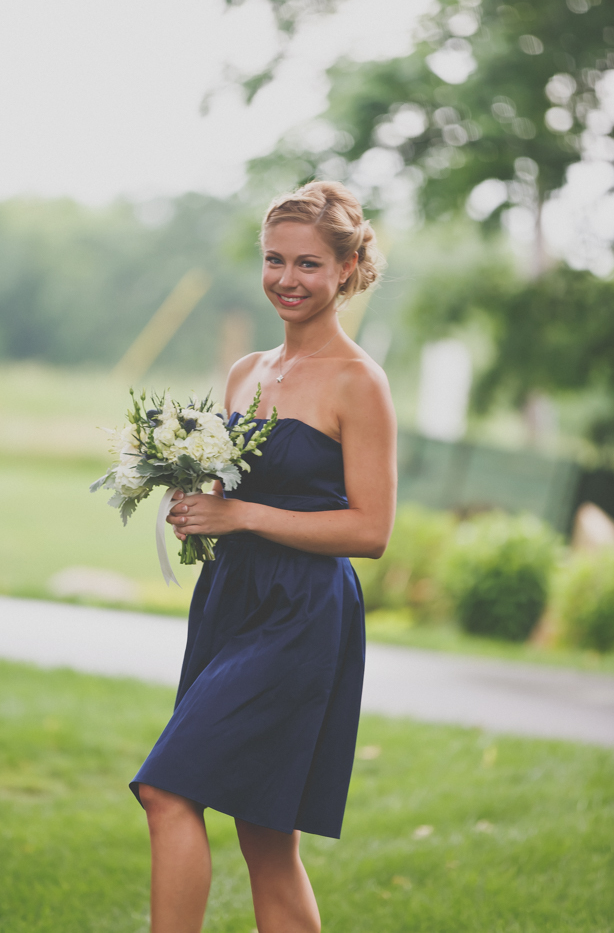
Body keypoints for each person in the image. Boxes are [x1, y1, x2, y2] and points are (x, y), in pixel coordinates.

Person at [130, 180, 397, 932]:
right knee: (267, 839)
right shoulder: (248, 370)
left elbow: (370, 531)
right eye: (274, 260)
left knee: (167, 790)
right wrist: (197, 507)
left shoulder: (359, 383)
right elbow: (238, 488)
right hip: (230, 599)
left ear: (346, 268)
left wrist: (241, 513)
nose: (287, 279)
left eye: (308, 264)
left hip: (302, 614)